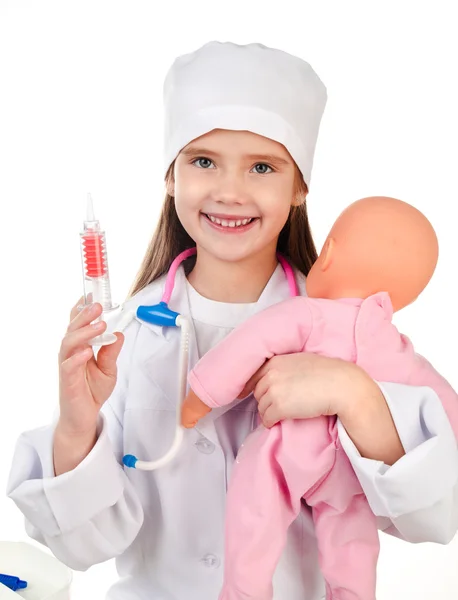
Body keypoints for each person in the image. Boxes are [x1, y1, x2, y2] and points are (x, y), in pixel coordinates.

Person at [6, 41, 458, 600]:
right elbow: (85, 547)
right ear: (170, 176)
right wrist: (77, 424)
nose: (228, 191)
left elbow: (435, 517)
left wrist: (356, 395)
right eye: (203, 161)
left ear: (298, 189)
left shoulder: (356, 337)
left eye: (262, 166)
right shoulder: (128, 335)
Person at [180, 196, 458, 600]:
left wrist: (200, 397)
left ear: (326, 254)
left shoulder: (309, 313)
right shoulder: (401, 351)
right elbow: (445, 406)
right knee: (354, 544)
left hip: (291, 448)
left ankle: (245, 592)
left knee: (256, 508)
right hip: (349, 472)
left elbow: (247, 346)